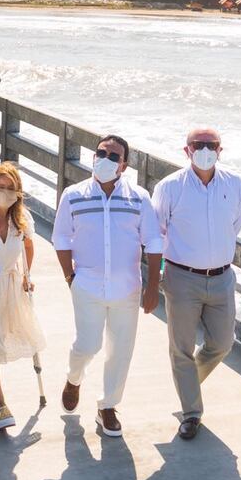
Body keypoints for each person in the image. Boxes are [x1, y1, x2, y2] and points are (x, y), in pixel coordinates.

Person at [52, 134, 162, 438]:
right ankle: (74, 378)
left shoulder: (139, 197)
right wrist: (69, 277)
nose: (106, 159)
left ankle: (108, 406)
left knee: (121, 350)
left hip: (127, 288)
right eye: (101, 152)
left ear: (124, 165)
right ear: (93, 156)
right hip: (86, 285)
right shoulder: (73, 195)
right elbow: (61, 238)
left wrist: (153, 286)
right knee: (88, 344)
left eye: (114, 156)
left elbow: (153, 241)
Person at [152, 128, 241, 440]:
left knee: (223, 343)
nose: (205, 150)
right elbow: (157, 230)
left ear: (221, 149)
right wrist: (158, 276)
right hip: (181, 278)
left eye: (211, 145)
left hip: (222, 278)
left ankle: (186, 384)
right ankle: (191, 413)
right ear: (186, 150)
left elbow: (235, 224)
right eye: (198, 145)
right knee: (182, 349)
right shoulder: (170, 187)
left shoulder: (234, 184)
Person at [0, 161, 45, 429]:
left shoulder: (22, 220)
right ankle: (1, 405)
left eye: (10, 188)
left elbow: (28, 246)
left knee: (0, 340)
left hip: (11, 286)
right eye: (0, 187)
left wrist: (27, 276)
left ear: (18, 192)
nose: (4, 192)